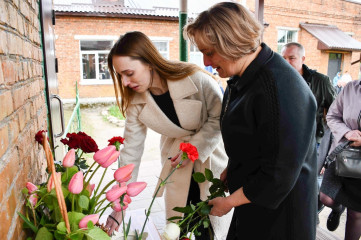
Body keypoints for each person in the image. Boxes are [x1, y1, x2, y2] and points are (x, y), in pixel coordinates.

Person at [185, 2, 318, 240]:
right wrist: (232, 168)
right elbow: (254, 138)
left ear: (231, 42)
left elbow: (278, 174)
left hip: (281, 217)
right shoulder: (243, 74)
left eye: (210, 52)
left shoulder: (281, 89)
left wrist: (227, 202)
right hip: (252, 201)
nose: (205, 62)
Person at [104, 31, 231, 239]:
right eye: (120, 76)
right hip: (176, 165)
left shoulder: (195, 78)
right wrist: (120, 205)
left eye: (129, 73)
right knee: (179, 227)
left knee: (211, 225)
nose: (125, 82)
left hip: (210, 158)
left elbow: (220, 118)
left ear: (149, 62)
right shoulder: (136, 102)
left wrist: (193, 149)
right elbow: (131, 152)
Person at [320, 80, 361, 240]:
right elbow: (332, 116)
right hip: (342, 154)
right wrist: (347, 133)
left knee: (356, 212)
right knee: (326, 197)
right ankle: (338, 209)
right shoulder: (351, 88)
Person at [281, 42, 336, 145]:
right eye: (283, 58)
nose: (286, 62)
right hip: (283, 140)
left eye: (292, 58)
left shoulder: (321, 81)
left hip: (311, 141)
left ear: (303, 59)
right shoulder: (276, 80)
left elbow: (336, 111)